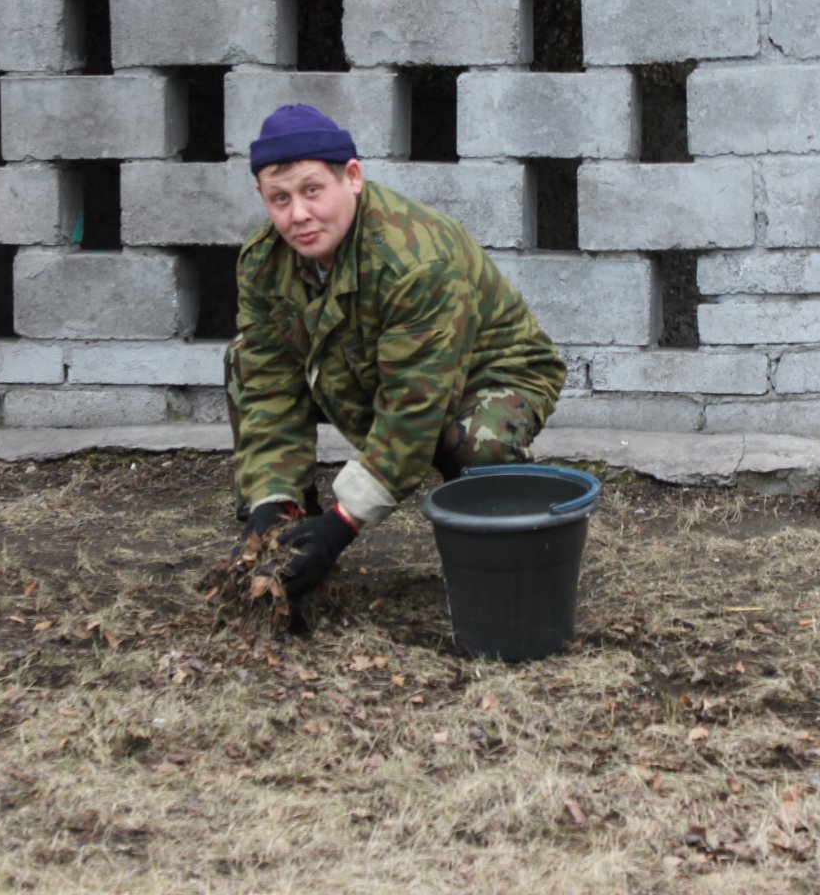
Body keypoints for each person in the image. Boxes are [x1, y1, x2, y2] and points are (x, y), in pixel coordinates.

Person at [225, 103, 567, 599]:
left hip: (489, 373)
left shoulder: (416, 262)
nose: (298, 214)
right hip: (375, 367)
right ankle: (290, 538)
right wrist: (270, 500)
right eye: (280, 199)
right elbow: (269, 383)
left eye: (312, 190)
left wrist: (344, 523)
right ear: (262, 197)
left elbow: (415, 405)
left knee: (478, 443)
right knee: (241, 359)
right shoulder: (263, 261)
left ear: (353, 178)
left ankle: (503, 558)